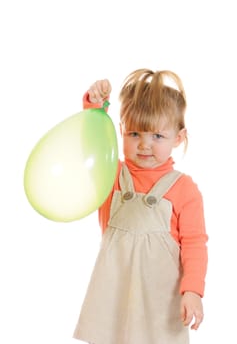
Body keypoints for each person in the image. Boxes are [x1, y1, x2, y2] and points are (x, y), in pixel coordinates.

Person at [73, 69, 208, 344]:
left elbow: (195, 244)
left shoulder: (184, 189)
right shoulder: (111, 176)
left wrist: (193, 290)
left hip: (160, 299)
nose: (145, 144)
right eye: (134, 133)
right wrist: (95, 108)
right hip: (114, 295)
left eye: (157, 136)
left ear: (178, 138)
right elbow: (92, 148)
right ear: (121, 130)